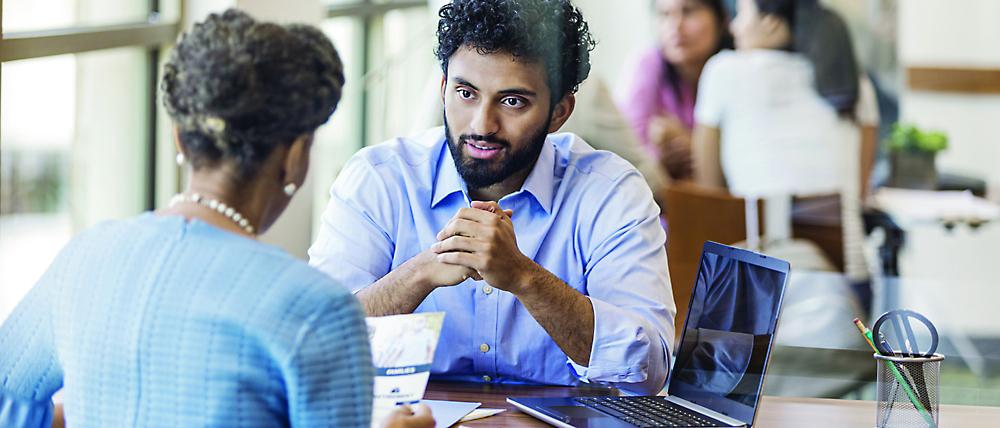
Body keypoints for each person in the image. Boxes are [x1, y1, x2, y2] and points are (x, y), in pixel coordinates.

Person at [0, 10, 432, 428]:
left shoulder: (84, 258)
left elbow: (7, 402)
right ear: (296, 156)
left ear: (179, 139)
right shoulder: (316, 308)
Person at [308, 0, 675, 395]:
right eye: (466, 93)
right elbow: (313, 344)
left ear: (559, 112)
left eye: (512, 101)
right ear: (444, 87)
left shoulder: (610, 191)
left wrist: (524, 277)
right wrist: (421, 272)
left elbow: (649, 371)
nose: (483, 124)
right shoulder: (378, 179)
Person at [691, 0, 874, 283]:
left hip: (762, 285)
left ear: (771, 22)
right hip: (850, 282)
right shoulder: (853, 83)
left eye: (742, 13)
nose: (733, 26)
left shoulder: (723, 71)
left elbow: (713, 196)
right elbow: (861, 192)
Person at [615, 0, 734, 181]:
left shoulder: (737, 69)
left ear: (721, 18)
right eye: (664, 14)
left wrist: (695, 146)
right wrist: (660, 160)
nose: (675, 26)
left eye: (688, 11)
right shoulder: (647, 64)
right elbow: (625, 157)